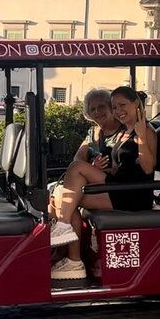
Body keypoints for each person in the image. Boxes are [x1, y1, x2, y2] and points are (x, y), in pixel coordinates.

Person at [49, 87, 157, 279]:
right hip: (118, 186)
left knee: (72, 177)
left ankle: (67, 239)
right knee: (63, 194)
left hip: (133, 194)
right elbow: (119, 166)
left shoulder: (145, 131)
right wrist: (103, 169)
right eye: (115, 107)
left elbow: (148, 168)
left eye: (122, 105)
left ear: (135, 104)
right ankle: (71, 258)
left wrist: (141, 137)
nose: (118, 111)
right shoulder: (125, 130)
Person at [49, 89, 123, 271]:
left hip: (115, 187)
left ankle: (71, 256)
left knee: (65, 197)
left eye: (101, 107)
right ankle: (68, 255)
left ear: (111, 107)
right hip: (95, 184)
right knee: (57, 195)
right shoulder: (93, 132)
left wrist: (91, 170)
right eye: (92, 109)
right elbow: (77, 159)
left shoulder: (122, 132)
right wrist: (92, 167)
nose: (97, 112)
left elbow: (124, 166)